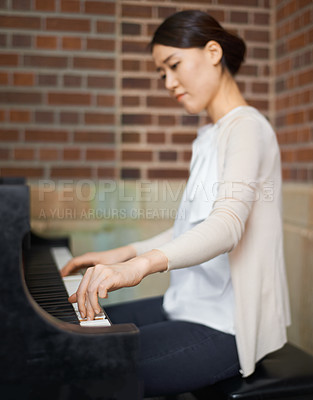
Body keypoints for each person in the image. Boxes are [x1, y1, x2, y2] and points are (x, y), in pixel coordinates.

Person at [61, 9, 291, 398]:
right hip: (184, 306)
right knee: (71, 334)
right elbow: (193, 226)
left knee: (89, 369)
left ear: (213, 52)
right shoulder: (209, 136)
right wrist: (123, 252)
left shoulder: (247, 128)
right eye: (161, 73)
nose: (168, 82)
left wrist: (142, 265)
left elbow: (226, 226)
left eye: (173, 65)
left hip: (225, 325)